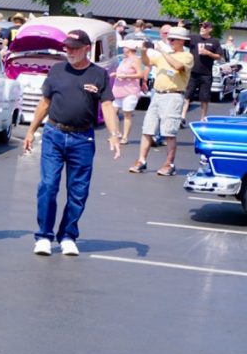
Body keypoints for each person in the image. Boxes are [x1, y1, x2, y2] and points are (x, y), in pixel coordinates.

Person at [23, 29, 122, 256]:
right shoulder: (57, 70)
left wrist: (114, 135)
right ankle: (44, 236)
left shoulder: (99, 74)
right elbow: (45, 102)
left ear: (87, 48)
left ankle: (68, 235)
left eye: (75, 48)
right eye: (67, 47)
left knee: (78, 191)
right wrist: (30, 131)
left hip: (83, 138)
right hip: (54, 134)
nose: (69, 51)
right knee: (48, 185)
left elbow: (107, 105)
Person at [129, 26, 193, 176]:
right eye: (168, 39)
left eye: (173, 39)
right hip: (157, 94)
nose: (169, 41)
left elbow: (178, 66)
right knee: (147, 129)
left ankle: (169, 163)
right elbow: (147, 62)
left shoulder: (186, 56)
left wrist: (163, 51)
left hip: (173, 95)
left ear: (182, 41)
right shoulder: (164, 55)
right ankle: (141, 161)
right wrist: (144, 51)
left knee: (169, 132)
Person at [182, 21, 222, 123]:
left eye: (205, 27)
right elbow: (181, 40)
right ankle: (182, 117)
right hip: (193, 72)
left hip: (206, 74)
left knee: (204, 98)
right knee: (187, 95)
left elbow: (219, 57)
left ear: (210, 29)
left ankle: (202, 118)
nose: (202, 28)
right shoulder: (193, 38)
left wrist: (208, 53)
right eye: (201, 26)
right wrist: (183, 27)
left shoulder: (214, 41)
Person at [112, 40, 145, 144]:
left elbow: (140, 74)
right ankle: (117, 133)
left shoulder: (135, 60)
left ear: (129, 49)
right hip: (119, 90)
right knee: (113, 112)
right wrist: (116, 74)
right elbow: (121, 71)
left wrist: (125, 76)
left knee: (127, 114)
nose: (123, 49)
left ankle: (125, 137)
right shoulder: (125, 59)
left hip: (130, 91)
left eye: (125, 47)